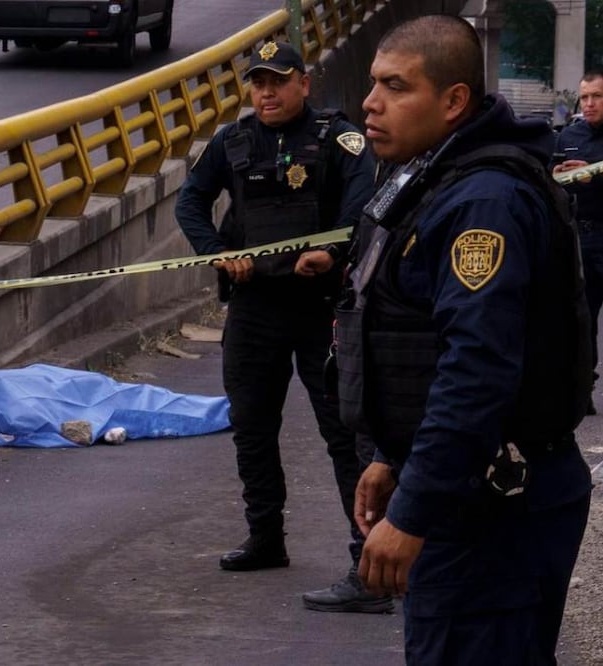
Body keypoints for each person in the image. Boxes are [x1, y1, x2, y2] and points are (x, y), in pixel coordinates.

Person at [339, 15, 593, 663]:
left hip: (492, 507)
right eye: (372, 84)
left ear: (452, 101)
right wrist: (390, 456)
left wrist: (414, 509)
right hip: (467, 493)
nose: (370, 104)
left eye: (395, 87)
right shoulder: (431, 178)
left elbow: (474, 371)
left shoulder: (484, 202)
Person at [174, 41, 389, 613]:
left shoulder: (339, 139)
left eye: (278, 80)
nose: (266, 92)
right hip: (254, 307)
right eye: (258, 82)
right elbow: (189, 202)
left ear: (304, 83)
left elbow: (364, 208)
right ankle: (265, 536)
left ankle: (366, 562)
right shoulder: (233, 141)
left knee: (344, 433)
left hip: (321, 306)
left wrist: (330, 252)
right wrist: (216, 253)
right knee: (251, 426)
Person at [553, 69, 603, 415]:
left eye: (596, 96)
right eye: (584, 97)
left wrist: (593, 178)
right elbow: (549, 180)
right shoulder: (567, 136)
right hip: (580, 238)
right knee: (582, 318)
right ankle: (583, 387)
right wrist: (558, 177)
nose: (588, 104)